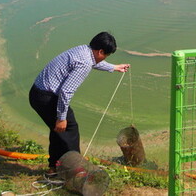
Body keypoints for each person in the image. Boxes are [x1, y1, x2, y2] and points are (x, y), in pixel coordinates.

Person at [29, 31, 130, 176]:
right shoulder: (85, 63)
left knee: (59, 130)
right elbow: (66, 91)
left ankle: (54, 167)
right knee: (69, 128)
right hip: (46, 97)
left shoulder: (84, 50)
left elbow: (94, 62)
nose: (104, 58)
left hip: (38, 92)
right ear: (100, 51)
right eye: (106, 56)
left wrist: (114, 67)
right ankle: (76, 170)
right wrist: (61, 117)